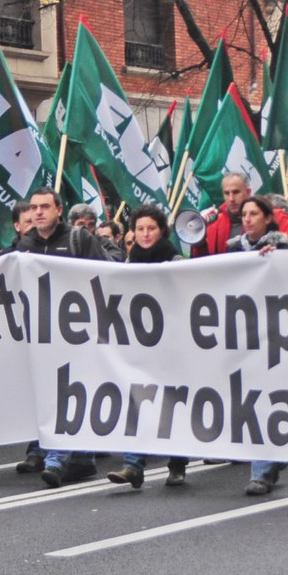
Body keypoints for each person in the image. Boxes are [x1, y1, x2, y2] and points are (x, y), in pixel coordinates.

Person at [17, 188, 116, 485]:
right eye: (33, 207)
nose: (38, 212)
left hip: (79, 331)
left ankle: (57, 459)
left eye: (44, 206)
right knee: (55, 394)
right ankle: (81, 459)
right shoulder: (26, 244)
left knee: (73, 393)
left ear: (59, 210)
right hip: (44, 334)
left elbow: (107, 273)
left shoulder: (78, 238)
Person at [107, 206, 196, 491]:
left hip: (173, 343)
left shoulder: (174, 259)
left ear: (162, 231)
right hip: (142, 343)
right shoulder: (131, 262)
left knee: (172, 401)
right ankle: (133, 465)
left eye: (151, 229)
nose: (145, 234)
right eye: (140, 229)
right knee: (137, 399)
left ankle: (177, 464)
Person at [191, 173, 252, 257]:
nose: (231, 199)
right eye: (227, 193)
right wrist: (200, 243)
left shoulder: (263, 218)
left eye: (236, 192)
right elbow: (202, 260)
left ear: (248, 192)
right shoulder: (214, 224)